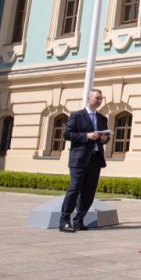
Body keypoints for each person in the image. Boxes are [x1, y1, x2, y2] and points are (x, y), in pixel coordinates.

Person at [59, 88, 109, 232]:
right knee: (74, 189)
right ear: (89, 98)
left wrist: (105, 138)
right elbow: (67, 134)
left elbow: (104, 137)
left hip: (95, 159)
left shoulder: (102, 118)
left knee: (89, 191)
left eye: (101, 98)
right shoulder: (77, 116)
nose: (99, 101)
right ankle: (64, 221)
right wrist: (86, 136)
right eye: (97, 98)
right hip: (79, 159)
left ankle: (79, 220)